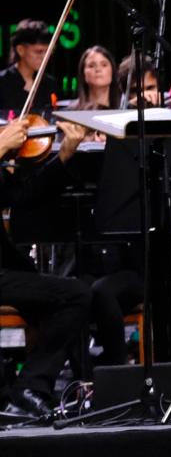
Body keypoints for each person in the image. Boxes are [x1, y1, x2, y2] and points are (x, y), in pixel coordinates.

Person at [0, 117, 91, 419]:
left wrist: (64, 154)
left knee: (78, 295)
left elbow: (23, 197)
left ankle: (30, 390)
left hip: (8, 269)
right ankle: (29, 389)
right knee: (75, 295)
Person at [0, 20, 58, 118]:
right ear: (20, 50)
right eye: (39, 52)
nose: (45, 57)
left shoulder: (49, 83)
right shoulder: (2, 82)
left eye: (48, 51)